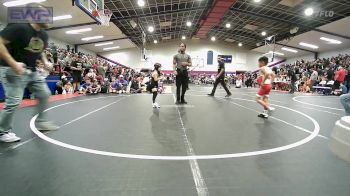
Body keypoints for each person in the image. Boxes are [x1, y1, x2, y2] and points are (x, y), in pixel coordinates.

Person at [0, 3, 59, 142]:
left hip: (31, 71)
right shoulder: (19, 27)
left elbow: (40, 49)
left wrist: (45, 62)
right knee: (14, 101)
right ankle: (2, 132)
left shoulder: (44, 34)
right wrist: (13, 64)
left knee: (44, 94)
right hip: (11, 68)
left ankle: (41, 121)